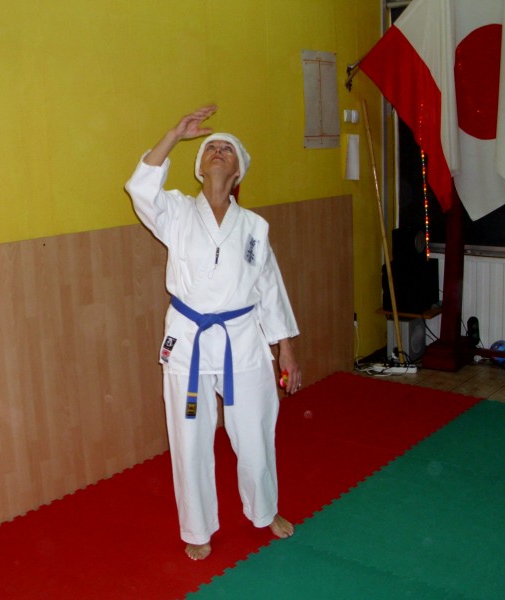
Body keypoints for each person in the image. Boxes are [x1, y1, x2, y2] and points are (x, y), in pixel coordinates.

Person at [125, 105, 302, 561]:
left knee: (256, 432)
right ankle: (198, 526)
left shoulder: (255, 227)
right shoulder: (176, 212)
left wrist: (285, 348)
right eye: (210, 148)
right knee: (190, 438)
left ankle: (264, 510)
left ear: (238, 169)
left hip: (243, 337)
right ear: (199, 167)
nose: (218, 151)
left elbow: (270, 288)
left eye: (227, 149)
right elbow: (140, 187)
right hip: (189, 338)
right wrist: (174, 133)